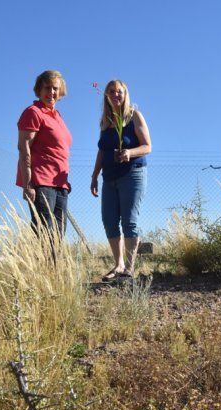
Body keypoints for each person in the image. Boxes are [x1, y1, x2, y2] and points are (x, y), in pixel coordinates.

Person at [90, 79, 152, 281]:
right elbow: (102, 150)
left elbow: (147, 147)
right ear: (106, 96)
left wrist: (129, 153)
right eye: (111, 91)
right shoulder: (105, 122)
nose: (115, 95)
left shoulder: (134, 117)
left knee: (129, 221)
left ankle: (129, 269)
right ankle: (118, 265)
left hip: (132, 174)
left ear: (125, 95)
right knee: (109, 221)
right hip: (109, 177)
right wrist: (94, 176)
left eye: (119, 91)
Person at [16, 70, 72, 242]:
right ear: (39, 90)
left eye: (55, 88)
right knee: (45, 233)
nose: (52, 92)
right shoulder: (33, 112)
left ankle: (54, 269)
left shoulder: (58, 116)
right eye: (47, 88)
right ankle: (42, 268)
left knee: (58, 234)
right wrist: (28, 184)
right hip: (42, 181)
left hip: (60, 183)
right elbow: (24, 147)